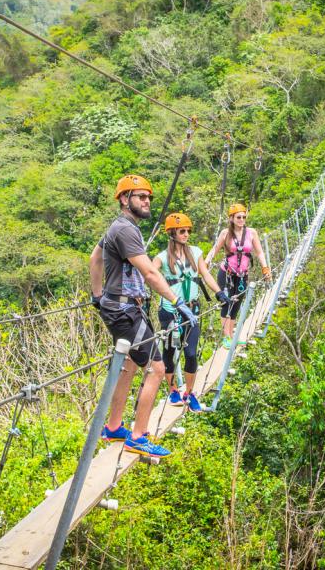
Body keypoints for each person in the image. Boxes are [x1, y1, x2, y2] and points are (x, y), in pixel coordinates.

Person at [89, 175, 198, 458]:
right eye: (140, 196)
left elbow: (95, 258)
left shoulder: (121, 228)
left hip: (121, 307)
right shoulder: (125, 229)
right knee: (157, 369)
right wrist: (178, 301)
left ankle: (113, 427)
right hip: (126, 311)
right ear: (124, 199)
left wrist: (98, 295)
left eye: (148, 197)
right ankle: (138, 436)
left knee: (129, 364)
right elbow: (150, 273)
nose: (146, 201)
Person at [152, 213, 230, 413]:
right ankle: (173, 390)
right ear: (171, 233)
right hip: (170, 311)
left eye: (188, 231)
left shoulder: (195, 252)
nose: (186, 234)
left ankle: (190, 392)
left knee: (191, 353)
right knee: (169, 353)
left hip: (192, 311)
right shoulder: (161, 258)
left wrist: (219, 292)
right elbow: (150, 274)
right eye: (182, 231)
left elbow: (205, 274)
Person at [207, 203, 270, 348]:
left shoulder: (251, 232)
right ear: (231, 218)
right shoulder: (225, 233)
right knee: (226, 302)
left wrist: (265, 267)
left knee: (236, 304)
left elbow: (259, 252)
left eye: (243, 217)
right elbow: (214, 250)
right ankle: (226, 337)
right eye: (238, 217)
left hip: (242, 275)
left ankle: (232, 335)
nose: (242, 219)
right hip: (227, 274)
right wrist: (205, 263)